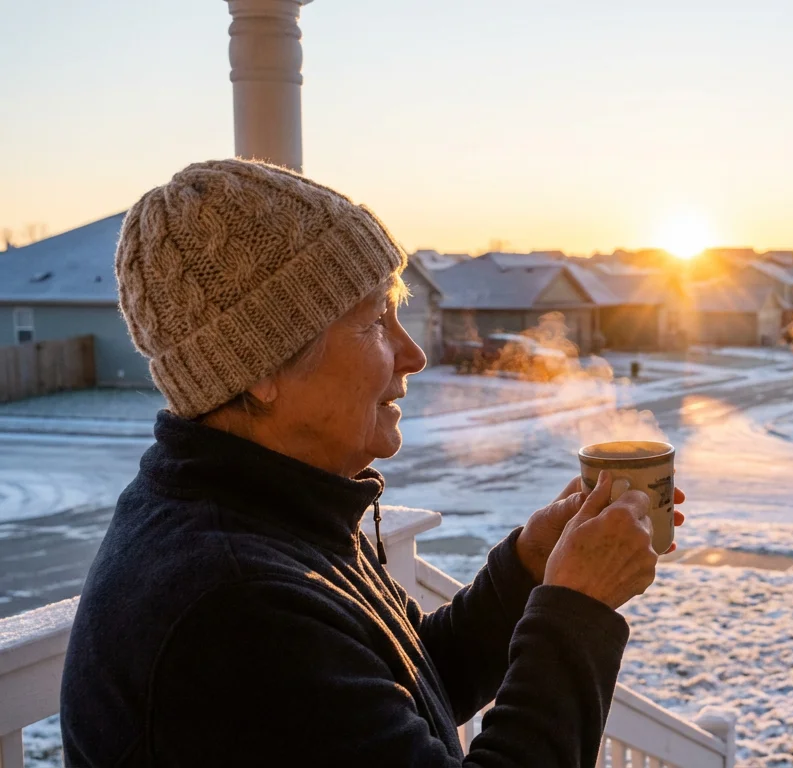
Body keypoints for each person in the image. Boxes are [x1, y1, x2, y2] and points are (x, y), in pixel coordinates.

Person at [59, 159, 682, 766]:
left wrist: (528, 570)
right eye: (373, 323)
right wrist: (577, 614)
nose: (412, 354)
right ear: (263, 369)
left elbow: (405, 683)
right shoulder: (233, 611)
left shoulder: (269, 515)